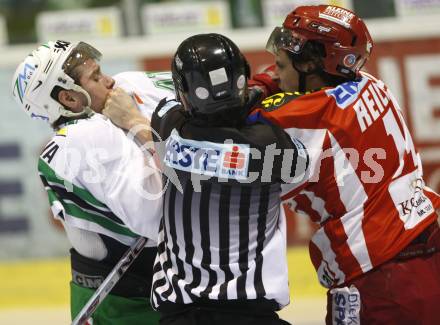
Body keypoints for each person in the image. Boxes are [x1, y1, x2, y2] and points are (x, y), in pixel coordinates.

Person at [248, 4, 440, 324]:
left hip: (381, 281)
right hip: (427, 250)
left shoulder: (305, 120)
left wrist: (253, 89)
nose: (277, 65)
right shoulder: (370, 83)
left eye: (285, 59)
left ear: (311, 61)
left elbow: (221, 128)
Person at [103, 33, 309, 325]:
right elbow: (299, 168)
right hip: (251, 316)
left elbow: (170, 118)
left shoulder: (168, 123)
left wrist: (131, 118)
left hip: (181, 316)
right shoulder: (270, 146)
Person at [11, 40, 174, 324]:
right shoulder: (82, 140)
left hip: (116, 292)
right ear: (70, 99)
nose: (110, 81)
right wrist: (137, 124)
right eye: (96, 77)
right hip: (126, 305)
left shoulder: (100, 120)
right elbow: (159, 218)